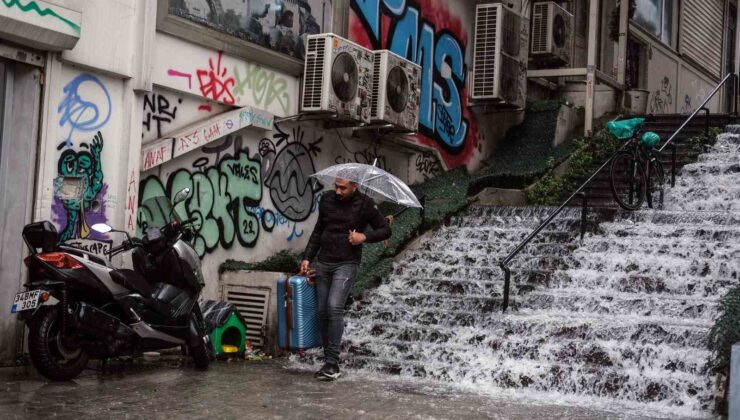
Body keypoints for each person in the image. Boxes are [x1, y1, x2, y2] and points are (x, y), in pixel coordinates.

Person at [300, 177, 391, 381]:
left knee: (334, 307)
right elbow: (318, 231)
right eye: (336, 186)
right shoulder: (326, 199)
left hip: (347, 263)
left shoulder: (365, 204)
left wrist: (363, 237)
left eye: (343, 188)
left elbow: (385, 229)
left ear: (354, 186)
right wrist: (307, 257)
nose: (338, 191)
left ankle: (332, 363)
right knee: (323, 311)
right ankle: (327, 361)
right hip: (324, 262)